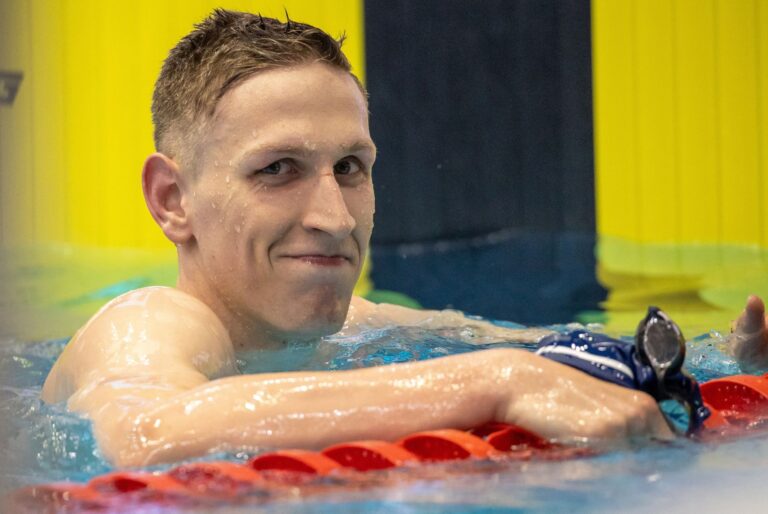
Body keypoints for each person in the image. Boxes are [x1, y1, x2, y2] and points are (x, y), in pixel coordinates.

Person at [40, 10, 760, 468]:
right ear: (173, 201)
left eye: (350, 168)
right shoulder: (146, 322)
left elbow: (530, 350)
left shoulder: (357, 329)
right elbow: (141, 432)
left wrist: (723, 359)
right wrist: (494, 385)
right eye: (278, 169)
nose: (336, 216)